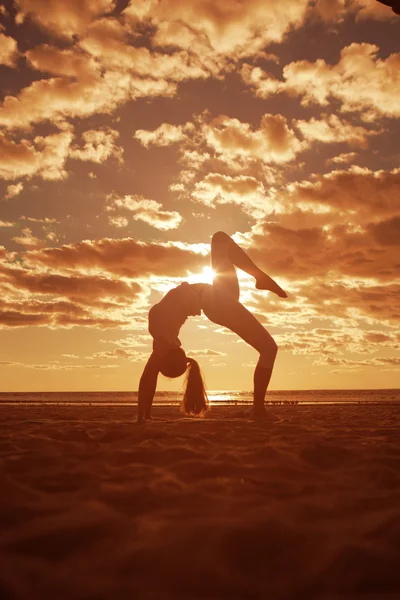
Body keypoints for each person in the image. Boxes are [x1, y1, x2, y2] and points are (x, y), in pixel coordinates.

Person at [137, 231, 287, 423]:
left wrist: (144, 416)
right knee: (269, 348)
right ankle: (258, 410)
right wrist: (143, 417)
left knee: (221, 240)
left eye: (183, 360)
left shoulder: (163, 340)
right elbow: (148, 377)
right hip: (215, 302)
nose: (186, 355)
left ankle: (260, 278)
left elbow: (148, 376)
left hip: (216, 296)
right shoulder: (164, 341)